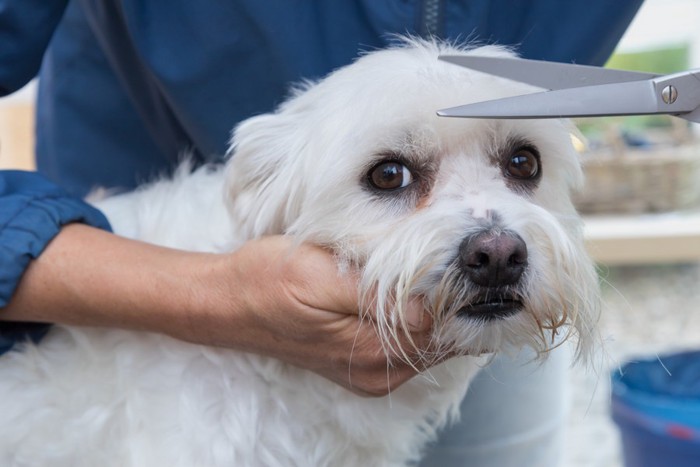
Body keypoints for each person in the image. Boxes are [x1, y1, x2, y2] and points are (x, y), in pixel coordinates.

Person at [0, 1, 644, 465]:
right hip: (128, 226)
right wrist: (209, 295)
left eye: (520, 165)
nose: (496, 239)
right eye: (391, 176)